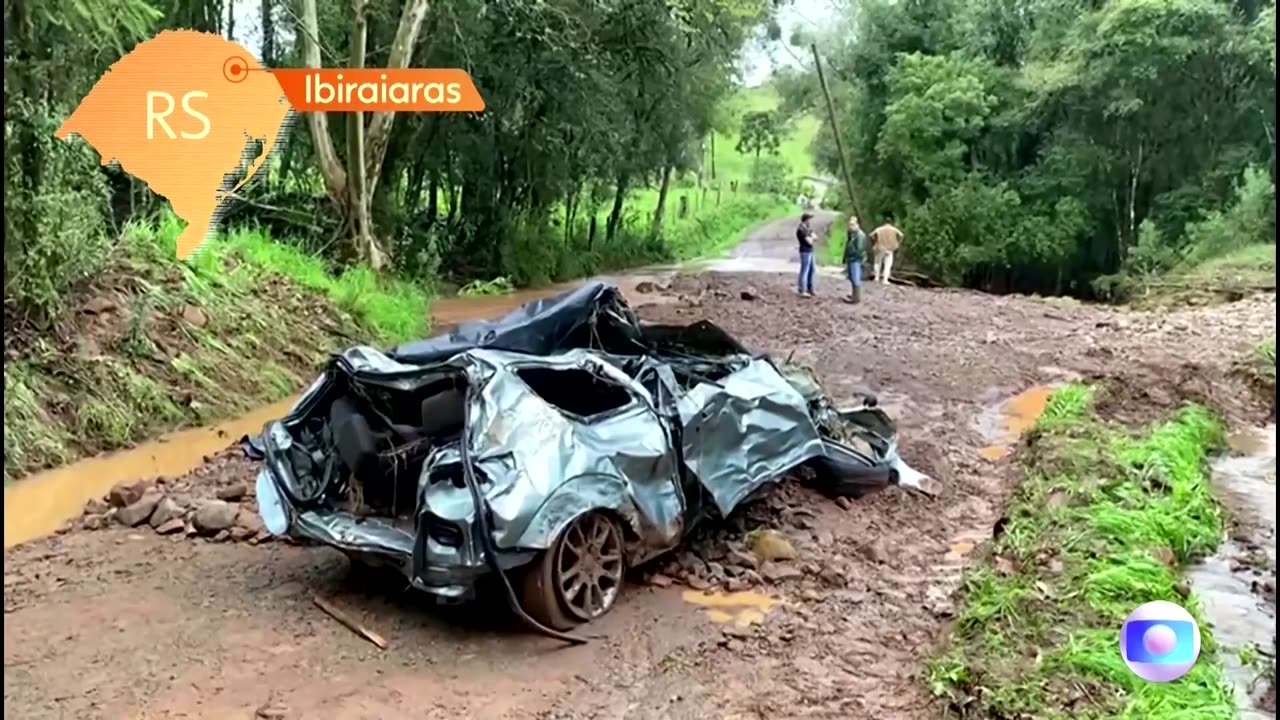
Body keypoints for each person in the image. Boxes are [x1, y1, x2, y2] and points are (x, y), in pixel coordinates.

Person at [869, 216, 903, 285]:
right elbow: (901, 235)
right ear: (891, 222)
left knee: (878, 263)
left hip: (880, 248)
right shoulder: (894, 229)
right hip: (890, 249)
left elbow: (871, 235)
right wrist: (897, 243)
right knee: (888, 265)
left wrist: (874, 242)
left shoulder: (879, 229)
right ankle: (885, 280)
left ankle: (876, 277)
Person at [842, 215, 867, 304]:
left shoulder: (860, 235)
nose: (850, 226)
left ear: (857, 224)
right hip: (851, 258)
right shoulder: (851, 234)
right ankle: (854, 295)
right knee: (852, 277)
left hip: (855, 259)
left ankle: (856, 298)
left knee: (856, 278)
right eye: (849, 224)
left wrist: (856, 257)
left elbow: (859, 249)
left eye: (852, 225)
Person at [795, 212, 817, 297]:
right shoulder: (801, 230)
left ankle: (810, 288)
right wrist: (812, 238)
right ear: (806, 220)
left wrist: (811, 237)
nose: (810, 221)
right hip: (805, 251)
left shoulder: (807, 229)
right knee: (804, 270)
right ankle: (802, 289)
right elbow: (810, 241)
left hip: (810, 251)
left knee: (812, 270)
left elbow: (815, 237)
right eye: (809, 219)